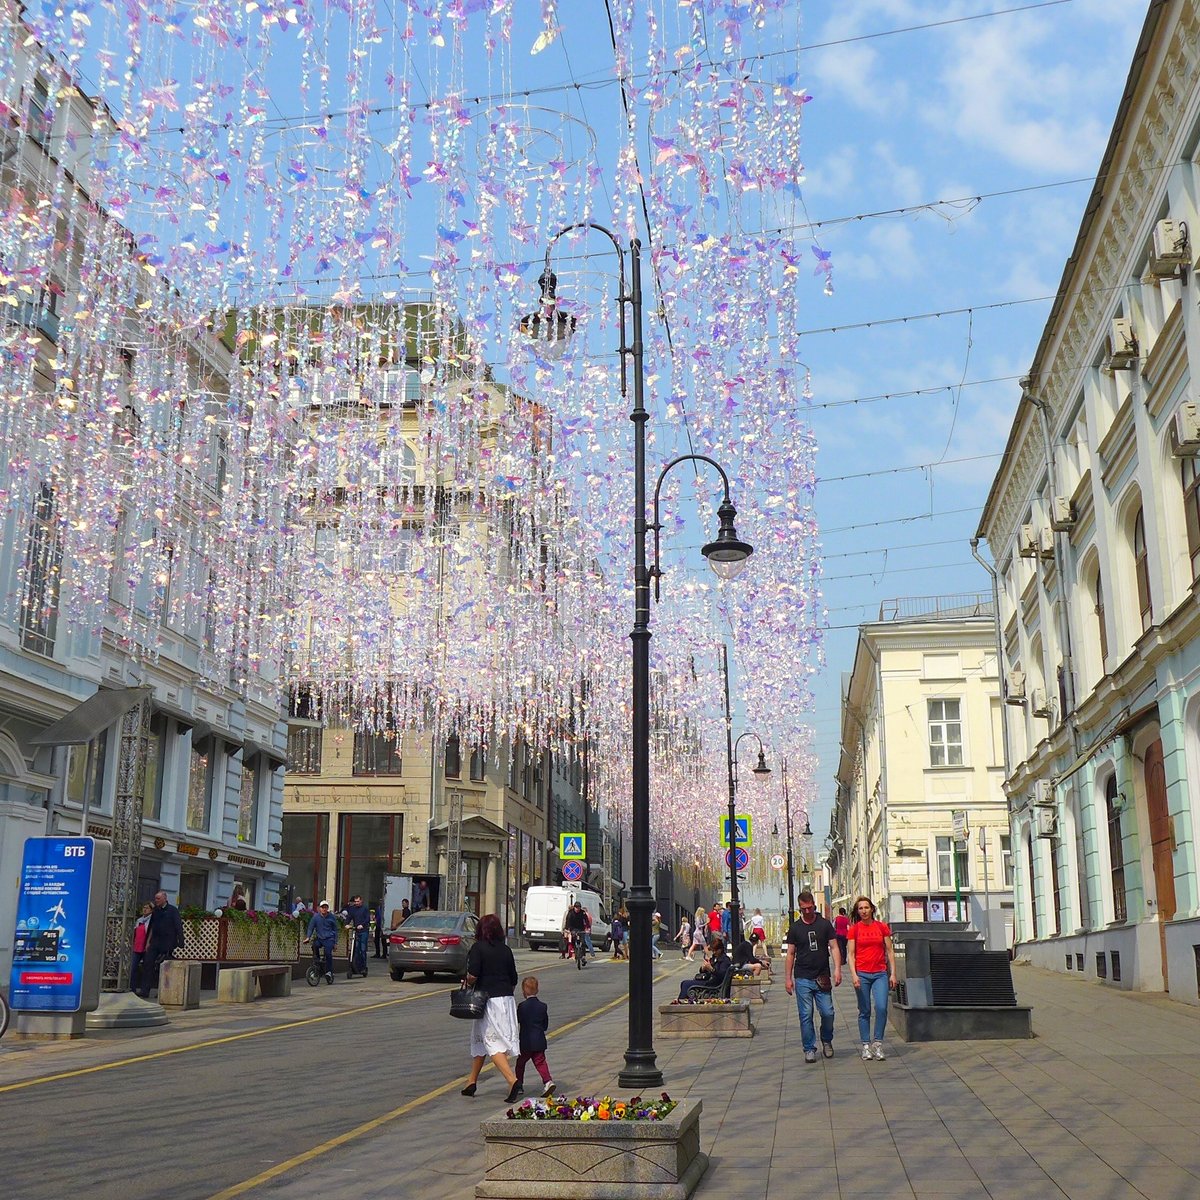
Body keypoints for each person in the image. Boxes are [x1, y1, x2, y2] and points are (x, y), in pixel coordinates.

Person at [461, 913, 521, 1103]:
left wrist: (467, 980)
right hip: (506, 999)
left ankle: (512, 1080)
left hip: (487, 1001)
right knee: (480, 1040)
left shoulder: (478, 948)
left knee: (492, 1042)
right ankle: (471, 1081)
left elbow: (473, 974)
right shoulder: (505, 949)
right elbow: (514, 978)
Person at [784, 889, 843, 1064]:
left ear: (814, 906)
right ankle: (809, 1048)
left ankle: (826, 1039)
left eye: (810, 908)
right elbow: (790, 954)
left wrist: (838, 969)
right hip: (802, 977)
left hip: (822, 976)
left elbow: (834, 947)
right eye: (804, 909)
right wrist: (788, 979)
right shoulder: (795, 928)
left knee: (828, 1012)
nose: (807, 912)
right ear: (800, 909)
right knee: (805, 1014)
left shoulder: (824, 925)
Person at [846, 895, 897, 1061]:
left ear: (872, 909)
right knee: (865, 1010)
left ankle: (878, 1043)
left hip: (880, 973)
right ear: (857, 911)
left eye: (866, 907)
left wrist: (893, 973)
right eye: (860, 908)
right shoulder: (854, 929)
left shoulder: (881, 927)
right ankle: (866, 1045)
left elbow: (889, 951)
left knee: (881, 1007)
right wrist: (854, 975)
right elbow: (851, 954)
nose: (863, 911)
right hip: (862, 974)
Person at [514, 975, 556, 1099]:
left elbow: (519, 1020)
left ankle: (519, 1084)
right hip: (539, 1041)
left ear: (523, 992)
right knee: (540, 1062)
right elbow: (545, 1024)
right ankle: (548, 1081)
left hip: (526, 1042)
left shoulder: (522, 1006)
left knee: (520, 1063)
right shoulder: (543, 1006)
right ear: (537, 990)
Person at [137, 890, 184, 999]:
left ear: (164, 898)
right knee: (147, 964)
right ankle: (145, 990)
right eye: (156, 898)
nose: (156, 900)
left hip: (167, 943)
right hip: (155, 942)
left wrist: (180, 941)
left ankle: (163, 990)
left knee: (164, 967)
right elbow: (151, 927)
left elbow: (178, 926)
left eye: (158, 898)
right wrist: (148, 942)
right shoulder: (156, 911)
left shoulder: (173, 910)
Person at [677, 936, 730, 1001]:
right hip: (708, 980)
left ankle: (680, 1002)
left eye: (715, 950)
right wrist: (703, 968)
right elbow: (704, 971)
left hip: (713, 984)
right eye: (712, 950)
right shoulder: (714, 957)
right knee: (684, 983)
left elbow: (721, 975)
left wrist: (711, 969)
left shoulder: (725, 960)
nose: (714, 952)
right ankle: (682, 1001)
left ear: (720, 949)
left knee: (685, 984)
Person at [305, 900, 339, 983]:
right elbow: (310, 928)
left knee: (328, 953)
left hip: (329, 938)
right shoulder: (316, 917)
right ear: (319, 908)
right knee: (315, 945)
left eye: (325, 907)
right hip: (320, 938)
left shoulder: (331, 917)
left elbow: (335, 930)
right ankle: (317, 962)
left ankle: (329, 971)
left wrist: (335, 943)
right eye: (322, 907)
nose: (324, 909)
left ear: (327, 908)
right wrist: (308, 937)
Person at [342, 894, 371, 975]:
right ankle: (356, 967)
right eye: (355, 902)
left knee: (363, 949)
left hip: (364, 931)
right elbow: (349, 917)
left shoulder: (365, 909)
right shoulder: (352, 909)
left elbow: (367, 919)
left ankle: (364, 967)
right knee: (356, 949)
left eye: (358, 901)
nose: (356, 903)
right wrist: (346, 924)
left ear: (361, 901)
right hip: (356, 931)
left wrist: (362, 925)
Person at [129, 902, 152, 994]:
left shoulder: (151, 920)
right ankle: (132, 988)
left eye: (147, 908)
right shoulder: (139, 920)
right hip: (137, 946)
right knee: (133, 967)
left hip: (146, 947)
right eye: (144, 907)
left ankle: (144, 990)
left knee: (146, 968)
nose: (144, 909)